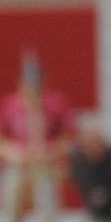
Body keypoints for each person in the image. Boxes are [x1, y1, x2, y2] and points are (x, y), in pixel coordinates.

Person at [0, 50, 72, 222]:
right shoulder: (9, 106)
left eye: (36, 85)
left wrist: (50, 151)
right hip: (18, 162)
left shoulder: (55, 104)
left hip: (46, 162)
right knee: (12, 198)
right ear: (20, 84)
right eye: (28, 85)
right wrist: (15, 153)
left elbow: (67, 138)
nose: (33, 90)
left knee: (47, 205)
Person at [69, 113, 111, 222]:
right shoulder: (77, 160)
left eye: (95, 141)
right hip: (95, 212)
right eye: (87, 142)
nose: (91, 147)